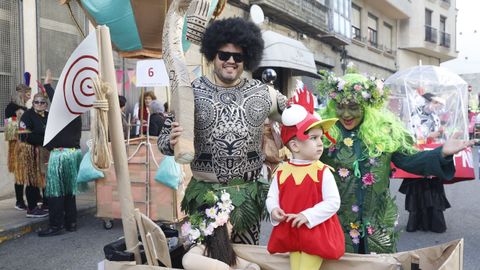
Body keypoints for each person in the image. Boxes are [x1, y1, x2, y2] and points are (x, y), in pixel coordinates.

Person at [158, 17, 287, 245]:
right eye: (223, 55)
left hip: (247, 194)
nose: (230, 61)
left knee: (245, 255)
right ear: (212, 56)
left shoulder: (265, 93)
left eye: (237, 56)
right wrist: (171, 140)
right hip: (205, 194)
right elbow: (163, 143)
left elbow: (299, 119)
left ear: (246, 58)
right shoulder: (191, 92)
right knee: (208, 257)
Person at [317, 69, 473, 254]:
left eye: (353, 106)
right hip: (335, 223)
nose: (346, 114)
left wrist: (441, 153)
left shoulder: (385, 133)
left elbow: (410, 160)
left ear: (368, 106)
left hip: (376, 225)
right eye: (340, 106)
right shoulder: (322, 134)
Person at [266, 102, 344, 270]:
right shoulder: (282, 171)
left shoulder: (322, 171)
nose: (320, 143)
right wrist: (273, 209)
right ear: (294, 145)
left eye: (320, 138)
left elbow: (333, 202)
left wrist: (307, 215)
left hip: (316, 233)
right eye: (313, 138)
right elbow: (272, 196)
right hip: (293, 233)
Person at [38, 70, 83, 237]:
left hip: (61, 155)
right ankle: (71, 222)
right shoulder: (76, 112)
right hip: (73, 154)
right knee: (69, 191)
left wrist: (48, 85)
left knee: (56, 192)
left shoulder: (66, 111)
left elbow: (57, 101)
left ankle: (56, 226)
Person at [399, 92, 451, 233]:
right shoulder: (414, 115)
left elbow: (438, 136)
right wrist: (429, 136)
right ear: (426, 102)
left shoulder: (435, 117)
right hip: (419, 156)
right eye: (435, 103)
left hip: (433, 155)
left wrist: (441, 135)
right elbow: (411, 138)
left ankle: (434, 223)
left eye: (438, 104)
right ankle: (416, 223)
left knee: (433, 187)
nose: (437, 106)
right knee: (418, 188)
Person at [181, 190, 260, 270]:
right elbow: (187, 260)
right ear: (219, 228)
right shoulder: (201, 248)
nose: (232, 226)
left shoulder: (224, 251)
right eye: (229, 222)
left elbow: (252, 265)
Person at [18, 90, 50, 218]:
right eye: (36, 102)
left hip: (46, 152)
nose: (39, 104)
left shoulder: (48, 115)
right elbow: (25, 135)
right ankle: (31, 208)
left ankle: (46, 204)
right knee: (32, 180)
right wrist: (45, 139)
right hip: (31, 151)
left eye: (42, 102)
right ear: (33, 103)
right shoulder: (27, 115)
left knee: (46, 179)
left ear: (46, 104)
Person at [5, 83, 32, 211]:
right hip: (18, 145)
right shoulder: (11, 108)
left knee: (27, 173)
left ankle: (32, 199)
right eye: (27, 94)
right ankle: (19, 201)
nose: (29, 97)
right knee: (20, 174)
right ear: (20, 94)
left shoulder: (24, 108)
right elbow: (10, 132)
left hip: (27, 144)